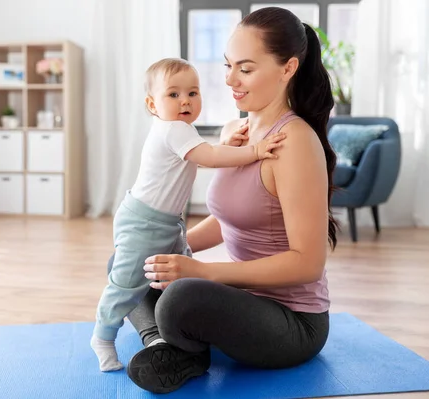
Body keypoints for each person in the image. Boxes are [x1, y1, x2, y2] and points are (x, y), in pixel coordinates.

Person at [120, 6, 339, 394]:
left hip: (293, 322)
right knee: (137, 266)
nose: (230, 80)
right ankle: (165, 345)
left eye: (246, 68)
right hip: (242, 299)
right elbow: (230, 218)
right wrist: (171, 249)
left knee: (182, 297)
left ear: (287, 69)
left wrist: (202, 272)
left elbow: (308, 263)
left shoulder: (294, 142)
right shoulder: (236, 130)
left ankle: (181, 346)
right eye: (227, 65)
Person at [90, 57, 286, 372]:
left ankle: (169, 333)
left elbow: (199, 153)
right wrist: (255, 150)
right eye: (174, 94)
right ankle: (103, 335)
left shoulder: (181, 130)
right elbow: (206, 157)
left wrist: (224, 143)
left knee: (175, 277)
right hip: (144, 222)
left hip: (166, 223)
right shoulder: (173, 130)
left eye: (193, 93)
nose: (185, 101)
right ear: (152, 104)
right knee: (127, 282)